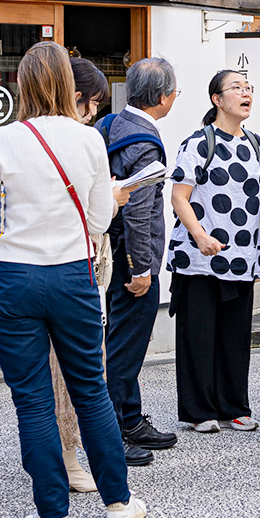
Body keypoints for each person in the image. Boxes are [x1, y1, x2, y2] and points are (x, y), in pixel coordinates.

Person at [0, 42, 143, 518]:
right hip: (73, 276)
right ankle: (118, 502)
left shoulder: (1, 141)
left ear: (23, 84)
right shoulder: (90, 139)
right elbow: (98, 221)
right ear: (68, 87)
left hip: (12, 278)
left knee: (32, 399)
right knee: (90, 389)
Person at [168, 69, 260, 431]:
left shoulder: (257, 144)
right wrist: (200, 236)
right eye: (237, 88)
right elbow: (178, 197)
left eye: (248, 88)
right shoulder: (199, 142)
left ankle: (235, 406)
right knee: (198, 335)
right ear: (217, 99)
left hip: (241, 255)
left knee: (234, 335)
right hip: (199, 257)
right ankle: (200, 412)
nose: (246, 93)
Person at [43, 58, 126, 496]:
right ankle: (75, 462)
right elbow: (96, 219)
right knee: (85, 370)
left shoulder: (15, 135)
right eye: (94, 102)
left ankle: (55, 462)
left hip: (25, 272)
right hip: (78, 265)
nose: (95, 111)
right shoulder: (86, 139)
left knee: (44, 372)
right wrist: (114, 196)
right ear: (77, 97)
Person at [99, 57, 181, 460]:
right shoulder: (145, 143)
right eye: (175, 91)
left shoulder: (110, 125)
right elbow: (140, 211)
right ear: (163, 97)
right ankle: (116, 432)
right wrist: (142, 268)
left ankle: (131, 419)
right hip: (129, 257)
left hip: (108, 252)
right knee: (125, 347)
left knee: (120, 339)